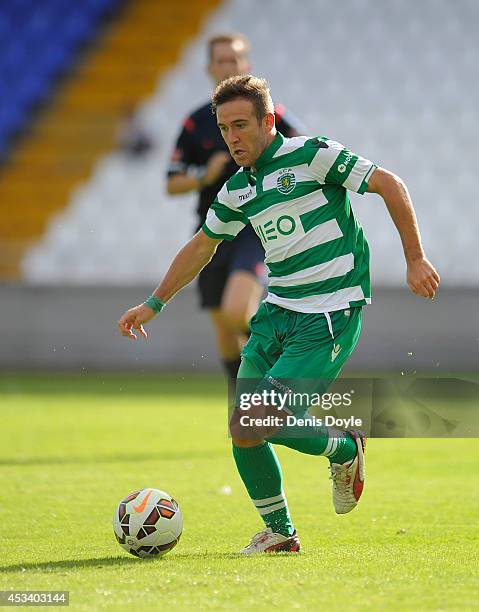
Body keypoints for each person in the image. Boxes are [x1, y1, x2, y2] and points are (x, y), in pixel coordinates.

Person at [118, 75, 440, 554]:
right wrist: (155, 301)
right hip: (277, 314)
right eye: (225, 128)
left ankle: (346, 447)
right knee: (242, 430)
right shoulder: (238, 189)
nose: (232, 137)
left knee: (260, 419)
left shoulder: (312, 155)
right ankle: (281, 534)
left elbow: (389, 184)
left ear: (269, 121)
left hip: (328, 313)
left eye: (242, 125)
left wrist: (415, 257)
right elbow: (202, 245)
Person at [167, 33, 303, 383]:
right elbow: (172, 182)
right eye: (221, 60)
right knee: (226, 334)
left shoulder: (270, 116)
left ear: (246, 66)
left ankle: (290, 353)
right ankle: (246, 402)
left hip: (255, 228)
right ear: (210, 68)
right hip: (212, 228)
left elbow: (298, 156)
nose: (228, 66)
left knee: (235, 311)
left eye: (235, 60)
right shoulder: (196, 122)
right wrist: (203, 176)